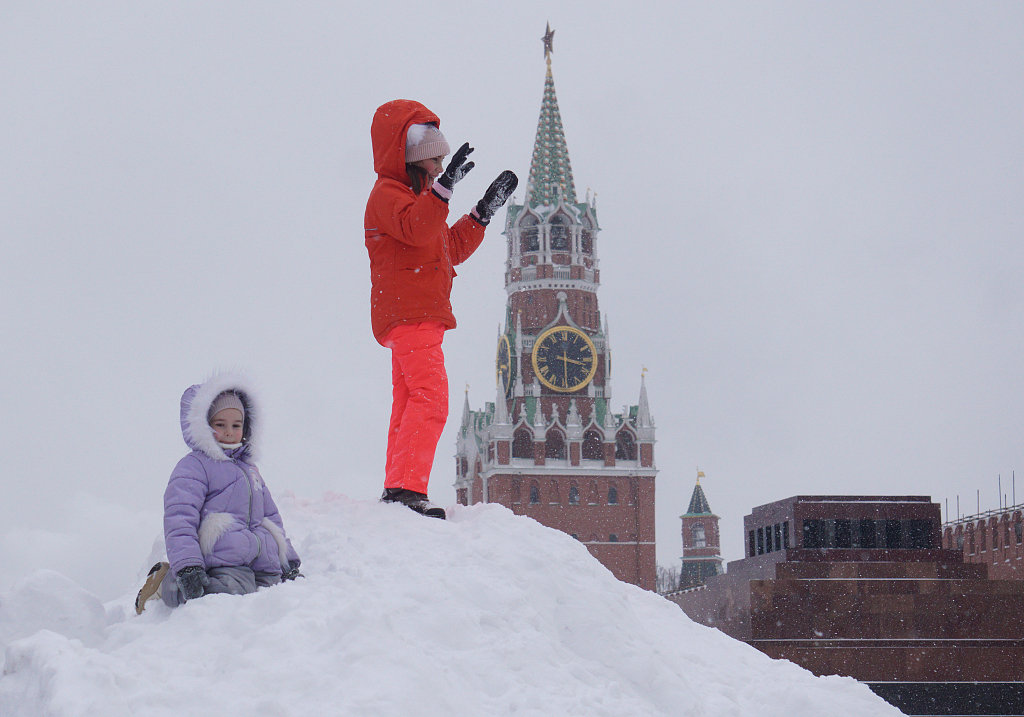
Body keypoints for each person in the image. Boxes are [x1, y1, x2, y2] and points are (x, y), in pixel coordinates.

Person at [365, 99, 517, 519]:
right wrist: (442, 190)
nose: (440, 165)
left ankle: (398, 485)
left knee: (410, 399)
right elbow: (419, 227)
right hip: (410, 313)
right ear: (410, 153)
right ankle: (406, 489)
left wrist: (481, 213)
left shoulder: (418, 200)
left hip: (411, 313)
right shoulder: (389, 196)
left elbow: (446, 248)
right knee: (431, 398)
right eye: (435, 159)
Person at [135, 373, 301, 613]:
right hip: (222, 559)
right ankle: (166, 582)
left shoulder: (250, 469)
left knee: (274, 599)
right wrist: (188, 567)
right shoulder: (194, 466)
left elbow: (271, 518)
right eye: (220, 425)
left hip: (261, 562)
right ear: (204, 425)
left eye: (236, 425)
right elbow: (180, 518)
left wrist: (287, 561)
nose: (229, 432)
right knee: (228, 596)